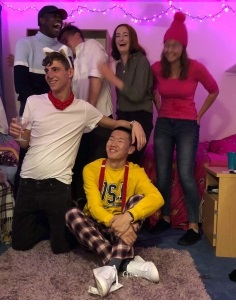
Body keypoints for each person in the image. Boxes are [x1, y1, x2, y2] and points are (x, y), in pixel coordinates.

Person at [9, 51, 147, 255]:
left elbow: (113, 123)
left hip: (58, 186)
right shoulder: (33, 102)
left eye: (55, 69)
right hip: (28, 182)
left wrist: (135, 123)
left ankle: (57, 226)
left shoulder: (83, 109)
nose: (49, 75)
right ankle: (46, 225)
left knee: (61, 248)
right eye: (47, 71)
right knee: (19, 244)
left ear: (70, 72)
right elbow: (25, 144)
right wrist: (18, 135)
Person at [65, 127, 164, 297]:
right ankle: (126, 264)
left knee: (138, 200)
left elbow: (157, 198)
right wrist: (116, 223)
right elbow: (95, 207)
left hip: (121, 232)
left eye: (120, 141)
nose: (113, 144)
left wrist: (128, 217)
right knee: (72, 214)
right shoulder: (91, 169)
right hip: (96, 231)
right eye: (111, 139)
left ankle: (110, 269)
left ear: (130, 149)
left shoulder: (135, 172)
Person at [150, 12, 219, 245]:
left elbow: (214, 89)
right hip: (164, 125)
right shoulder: (157, 67)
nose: (170, 49)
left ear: (183, 47)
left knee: (186, 175)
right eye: (167, 45)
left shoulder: (195, 68)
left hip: (188, 125)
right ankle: (165, 217)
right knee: (162, 175)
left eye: (175, 45)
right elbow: (151, 89)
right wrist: (159, 109)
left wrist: (199, 115)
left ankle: (193, 225)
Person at [12, 5, 71, 198]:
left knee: (57, 157)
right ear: (40, 20)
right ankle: (22, 206)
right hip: (32, 111)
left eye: (60, 17)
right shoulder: (25, 43)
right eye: (53, 16)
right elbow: (21, 84)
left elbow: (68, 85)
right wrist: (40, 109)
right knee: (28, 155)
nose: (58, 20)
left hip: (60, 112)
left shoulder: (66, 50)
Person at [58, 24, 113, 207]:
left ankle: (97, 214)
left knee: (95, 168)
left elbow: (96, 77)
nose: (65, 44)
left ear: (75, 36)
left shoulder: (91, 46)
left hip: (98, 120)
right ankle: (80, 210)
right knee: (80, 167)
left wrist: (88, 110)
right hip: (83, 123)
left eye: (65, 40)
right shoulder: (74, 59)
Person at [98, 24, 154, 166]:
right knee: (116, 160)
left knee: (132, 162)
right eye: (117, 35)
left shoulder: (141, 60)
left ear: (132, 39)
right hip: (123, 117)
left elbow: (137, 95)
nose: (121, 39)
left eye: (125, 35)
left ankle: (133, 189)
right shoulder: (118, 66)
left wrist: (112, 78)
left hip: (140, 117)